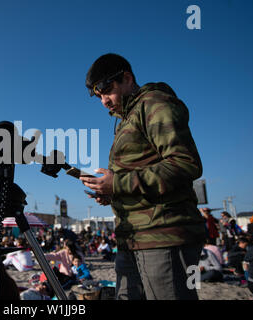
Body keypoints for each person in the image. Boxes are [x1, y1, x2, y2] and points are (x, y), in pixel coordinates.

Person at [80, 53, 206, 300]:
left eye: (107, 91)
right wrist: (111, 192)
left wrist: (117, 182)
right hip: (132, 236)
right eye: (99, 97)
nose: (104, 101)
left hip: (163, 234)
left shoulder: (154, 104)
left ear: (127, 78)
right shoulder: (125, 119)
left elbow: (185, 163)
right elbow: (138, 173)